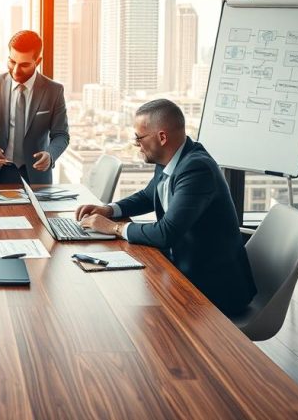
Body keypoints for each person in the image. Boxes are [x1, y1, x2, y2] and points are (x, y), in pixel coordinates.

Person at [75, 99, 257, 316]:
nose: (136, 144)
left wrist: (113, 228)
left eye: (139, 137)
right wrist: (110, 210)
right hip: (184, 269)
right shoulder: (171, 159)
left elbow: (166, 233)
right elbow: (148, 195)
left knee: (125, 308)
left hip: (213, 288)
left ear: (162, 137)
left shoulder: (197, 169)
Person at [0, 30, 69, 184]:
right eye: (12, 62)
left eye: (24, 65)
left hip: (36, 175)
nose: (15, 70)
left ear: (38, 61)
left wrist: (50, 154)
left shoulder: (54, 91)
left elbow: (61, 134)